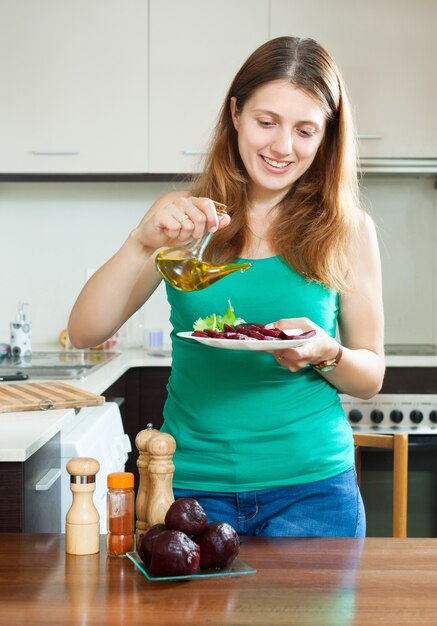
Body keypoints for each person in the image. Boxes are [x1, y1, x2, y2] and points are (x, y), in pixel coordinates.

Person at [68, 36, 385, 538]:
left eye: (305, 130)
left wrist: (327, 353)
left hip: (314, 493)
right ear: (235, 113)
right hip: (191, 492)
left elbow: (369, 376)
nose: (283, 147)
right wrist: (139, 244)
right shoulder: (184, 219)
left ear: (326, 136)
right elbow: (85, 331)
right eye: (267, 122)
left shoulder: (346, 230)